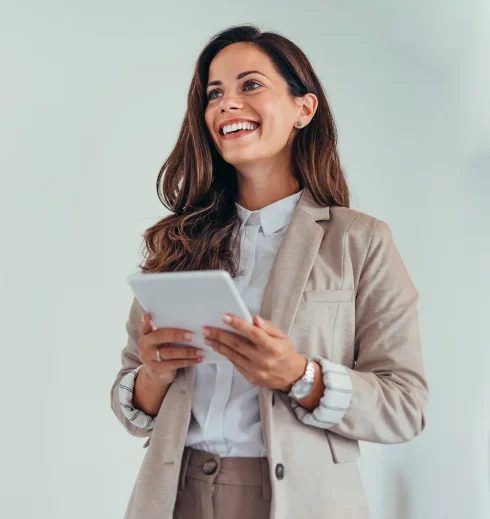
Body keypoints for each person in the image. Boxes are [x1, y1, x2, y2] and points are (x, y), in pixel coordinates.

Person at [110, 24, 429, 519]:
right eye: (214, 93)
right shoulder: (179, 242)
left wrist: (302, 376)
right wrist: (152, 375)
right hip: (175, 494)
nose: (226, 104)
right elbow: (132, 400)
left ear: (304, 108)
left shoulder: (358, 241)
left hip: (300, 502)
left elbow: (406, 407)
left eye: (250, 85)